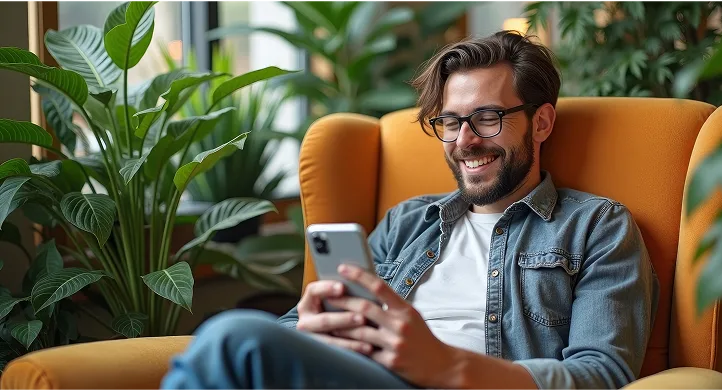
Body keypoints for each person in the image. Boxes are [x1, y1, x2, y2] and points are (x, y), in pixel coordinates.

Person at [160, 30, 659, 390]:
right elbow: (296, 328)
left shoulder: (596, 226)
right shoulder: (408, 222)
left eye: (486, 118)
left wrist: (444, 366)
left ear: (542, 122)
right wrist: (307, 325)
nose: (464, 141)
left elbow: (602, 373)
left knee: (231, 338)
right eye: (450, 121)